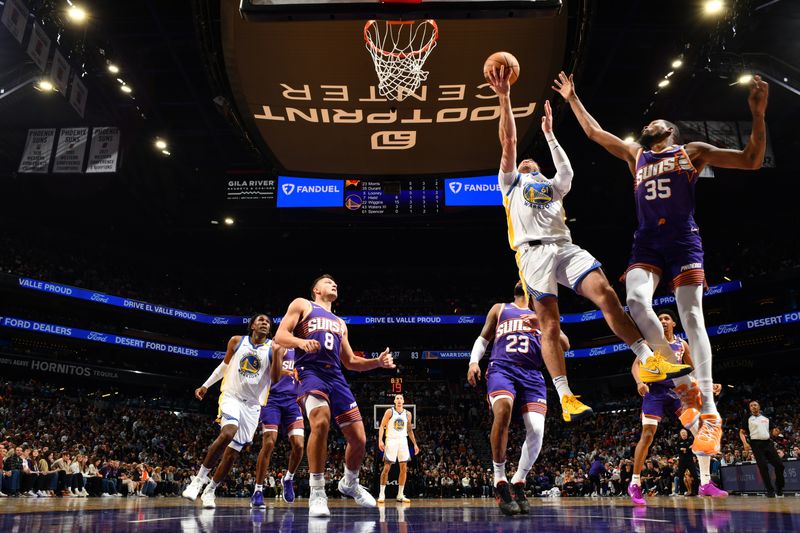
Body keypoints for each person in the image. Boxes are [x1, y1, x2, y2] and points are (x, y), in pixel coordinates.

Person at [553, 70, 770, 455]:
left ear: (670, 132)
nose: (648, 124)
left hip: (683, 240)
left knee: (692, 317)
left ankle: (710, 411)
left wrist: (757, 113)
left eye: (656, 122)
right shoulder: (636, 155)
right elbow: (594, 133)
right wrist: (572, 98)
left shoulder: (691, 152)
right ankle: (673, 371)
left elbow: (752, 160)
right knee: (635, 301)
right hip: (648, 242)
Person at [487, 66, 691, 423]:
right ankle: (566, 396)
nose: (526, 161)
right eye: (524, 161)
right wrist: (504, 97)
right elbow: (508, 143)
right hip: (532, 252)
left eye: (532, 161)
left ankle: (648, 357)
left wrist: (550, 135)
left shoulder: (553, 185)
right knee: (550, 324)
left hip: (564, 245)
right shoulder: (511, 183)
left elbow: (566, 170)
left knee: (607, 294)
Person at [274, 274, 395, 517]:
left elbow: (350, 362)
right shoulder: (303, 304)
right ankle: (317, 492)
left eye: (335, 282)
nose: (334, 284)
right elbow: (280, 336)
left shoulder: (340, 323)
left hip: (336, 377)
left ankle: (349, 483)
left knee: (359, 440)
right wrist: (299, 342)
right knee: (320, 422)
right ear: (316, 289)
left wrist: (377, 362)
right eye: (328, 282)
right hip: (310, 372)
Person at [466, 281, 568, 515]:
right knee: (503, 411)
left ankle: (519, 481)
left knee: (537, 429)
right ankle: (499, 480)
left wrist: (545, 323)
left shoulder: (543, 314)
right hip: (502, 368)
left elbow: (565, 345)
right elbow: (483, 339)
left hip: (532, 374)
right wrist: (473, 362)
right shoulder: (500, 308)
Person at [182, 313, 285, 508]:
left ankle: (210, 490)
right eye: (260, 320)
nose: (264, 323)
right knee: (228, 432)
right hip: (232, 397)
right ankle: (198, 480)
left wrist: (279, 355)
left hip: (253, 406)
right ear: (252, 325)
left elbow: (277, 379)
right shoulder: (237, 341)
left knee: (232, 454)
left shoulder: (273, 348)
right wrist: (206, 385)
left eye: (268, 322)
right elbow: (225, 366)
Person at [628, 309, 726, 505]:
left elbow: (695, 369)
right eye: (660, 319)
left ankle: (705, 482)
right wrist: (639, 382)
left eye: (666, 319)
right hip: (654, 392)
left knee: (700, 432)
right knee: (647, 435)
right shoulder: (649, 343)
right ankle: (635, 483)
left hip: (676, 392)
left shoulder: (681, 345)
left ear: (673, 323)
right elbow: (636, 365)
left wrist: (709, 383)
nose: (663, 321)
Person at [251, 347, 305, 508]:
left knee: (299, 445)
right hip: (272, 399)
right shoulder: (272, 347)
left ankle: (288, 478)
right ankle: (258, 490)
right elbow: (260, 371)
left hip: (292, 401)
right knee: (268, 443)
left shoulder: (302, 351)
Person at [377, 394, 420, 503]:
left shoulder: (408, 414)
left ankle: (400, 494)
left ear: (404, 401)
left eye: (401, 398)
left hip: (403, 441)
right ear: (394, 401)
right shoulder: (389, 412)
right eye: (397, 398)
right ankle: (382, 494)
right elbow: (382, 426)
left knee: (404, 468)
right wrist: (380, 440)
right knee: (386, 468)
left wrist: (415, 444)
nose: (399, 400)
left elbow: (410, 430)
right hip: (391, 440)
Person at [739, 400, 785, 497]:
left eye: (755, 405)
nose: (753, 407)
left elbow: (773, 432)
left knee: (780, 465)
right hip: (756, 444)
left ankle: (779, 487)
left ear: (759, 407)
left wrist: (776, 432)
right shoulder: (747, 417)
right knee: (763, 467)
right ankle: (770, 490)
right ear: (750, 408)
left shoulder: (766, 418)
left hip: (768, 443)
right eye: (751, 406)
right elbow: (742, 432)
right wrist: (745, 443)